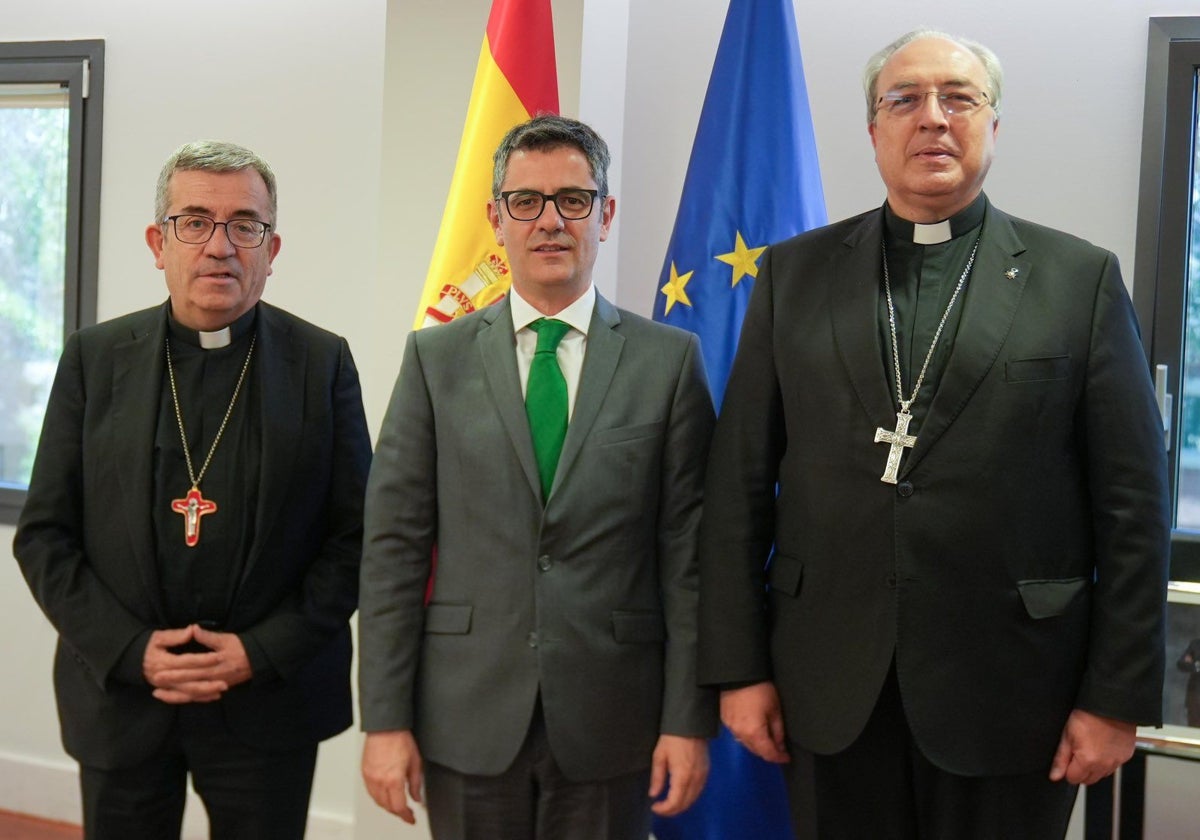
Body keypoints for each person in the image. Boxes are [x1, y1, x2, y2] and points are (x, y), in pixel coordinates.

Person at [697, 28, 1170, 839]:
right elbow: (738, 486)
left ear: (994, 124)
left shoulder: (1077, 280)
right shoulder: (795, 275)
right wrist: (738, 669)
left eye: (959, 98)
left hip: (1016, 691)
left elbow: (1133, 507)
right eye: (905, 99)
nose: (933, 119)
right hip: (831, 684)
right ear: (874, 129)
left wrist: (1114, 697)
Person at [358, 114, 716, 839]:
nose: (550, 221)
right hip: (465, 715)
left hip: (614, 717)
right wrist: (385, 720)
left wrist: (687, 720)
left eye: (573, 200)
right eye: (526, 201)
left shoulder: (668, 362)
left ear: (605, 215)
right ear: (496, 217)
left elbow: (690, 560)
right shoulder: (436, 360)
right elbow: (393, 550)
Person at [13, 140, 372, 840]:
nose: (221, 246)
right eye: (195, 221)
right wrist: (127, 649)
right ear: (159, 241)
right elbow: (45, 536)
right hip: (123, 698)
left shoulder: (320, 363)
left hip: (268, 703)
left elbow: (357, 538)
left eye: (246, 225)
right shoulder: (94, 359)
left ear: (272, 248)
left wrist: (260, 652)